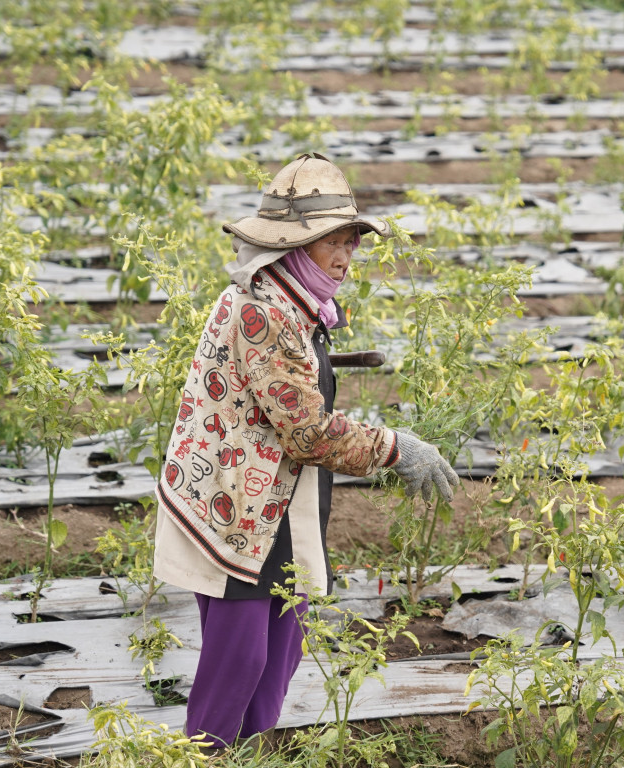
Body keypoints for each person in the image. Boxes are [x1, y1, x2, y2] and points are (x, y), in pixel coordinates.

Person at [152, 153, 459, 749]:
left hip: (277, 500)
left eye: (350, 243)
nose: (345, 259)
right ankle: (203, 757)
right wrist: (396, 447)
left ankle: (250, 754)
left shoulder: (301, 304)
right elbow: (307, 432)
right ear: (292, 246)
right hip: (232, 505)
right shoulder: (263, 310)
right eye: (331, 245)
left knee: (283, 649)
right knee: (240, 657)